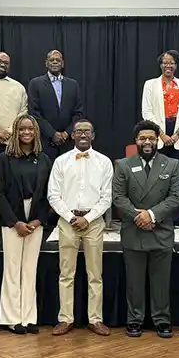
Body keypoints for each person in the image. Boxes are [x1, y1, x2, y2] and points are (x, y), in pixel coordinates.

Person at [113, 120, 179, 337]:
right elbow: (118, 197)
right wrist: (139, 216)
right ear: (136, 141)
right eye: (142, 138)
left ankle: (161, 320)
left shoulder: (171, 165)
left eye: (151, 138)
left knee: (161, 280)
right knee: (134, 281)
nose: (147, 142)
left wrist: (152, 215)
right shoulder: (123, 164)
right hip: (134, 230)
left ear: (157, 141)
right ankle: (134, 319)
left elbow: (176, 197)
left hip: (160, 230)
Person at [46, 118, 112, 337]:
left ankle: (95, 319)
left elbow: (107, 197)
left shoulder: (104, 162)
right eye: (78, 131)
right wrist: (71, 217)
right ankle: (66, 318)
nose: (83, 134)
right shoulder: (61, 162)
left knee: (95, 274)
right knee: (66, 273)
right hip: (68, 221)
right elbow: (53, 195)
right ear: (72, 135)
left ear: (93, 136)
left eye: (87, 131)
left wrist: (89, 218)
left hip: (93, 222)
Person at [0, 115, 52, 334]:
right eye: (22, 129)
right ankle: (11, 318)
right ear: (16, 132)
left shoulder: (44, 159)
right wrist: (15, 222)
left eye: (30, 129)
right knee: (12, 268)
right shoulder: (4, 158)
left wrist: (38, 221)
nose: (26, 132)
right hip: (13, 218)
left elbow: (49, 194)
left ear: (36, 132)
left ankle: (28, 317)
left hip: (36, 219)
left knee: (30, 268)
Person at [28, 49, 84, 157]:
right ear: (46, 63)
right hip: (45, 142)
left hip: (68, 142)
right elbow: (34, 113)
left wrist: (67, 133)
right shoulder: (35, 84)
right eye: (51, 60)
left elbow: (79, 113)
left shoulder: (73, 85)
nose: (55, 62)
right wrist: (52, 134)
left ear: (62, 64)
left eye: (58, 60)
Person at [140, 49, 179, 152]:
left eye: (171, 63)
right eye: (165, 63)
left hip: (178, 135)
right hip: (157, 134)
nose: (168, 66)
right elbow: (147, 112)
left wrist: (178, 134)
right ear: (160, 65)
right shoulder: (150, 85)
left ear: (176, 65)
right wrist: (161, 134)